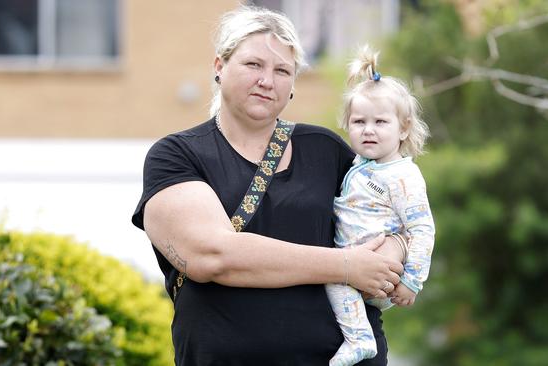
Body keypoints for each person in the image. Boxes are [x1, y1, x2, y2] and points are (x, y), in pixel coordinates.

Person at [131, 6, 405, 365]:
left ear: (293, 84)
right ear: (219, 66)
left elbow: (396, 219)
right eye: (253, 65)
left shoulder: (327, 150)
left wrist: (395, 252)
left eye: (282, 71)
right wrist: (347, 265)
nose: (267, 80)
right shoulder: (176, 155)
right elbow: (211, 255)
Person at [325, 47, 436, 366]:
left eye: (380, 122)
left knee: (332, 274)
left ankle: (360, 339)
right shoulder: (361, 164)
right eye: (359, 121)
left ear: (403, 128)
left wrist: (412, 280)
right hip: (355, 258)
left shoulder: (402, 175)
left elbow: (422, 228)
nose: (368, 129)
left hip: (377, 267)